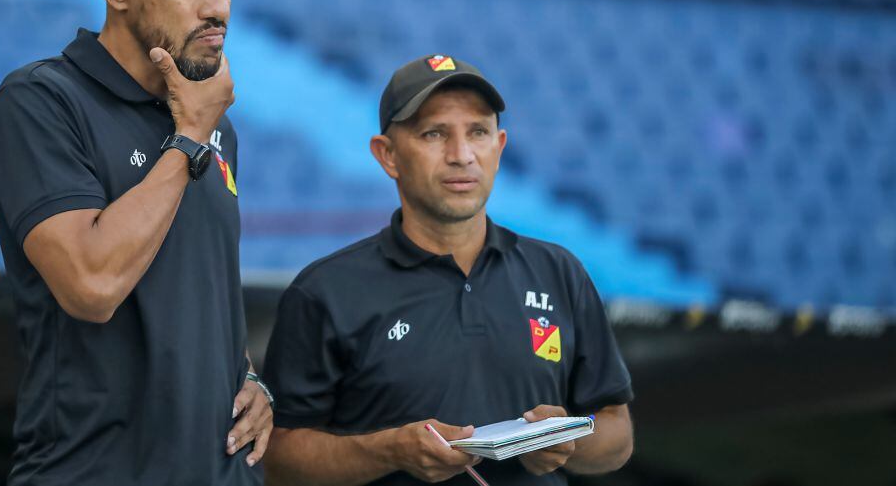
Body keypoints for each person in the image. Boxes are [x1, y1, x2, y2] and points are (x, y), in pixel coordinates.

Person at [0, 0, 271, 485]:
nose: (217, 6)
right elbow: (91, 285)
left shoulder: (215, 126)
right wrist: (187, 141)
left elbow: (198, 285)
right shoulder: (40, 102)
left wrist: (246, 375)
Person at [261, 56, 634, 485]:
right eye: (434, 133)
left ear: (500, 146)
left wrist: (567, 441)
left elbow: (617, 432)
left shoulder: (558, 271)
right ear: (388, 155)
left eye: (478, 132)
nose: (461, 155)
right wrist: (386, 451)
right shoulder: (324, 291)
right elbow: (277, 458)